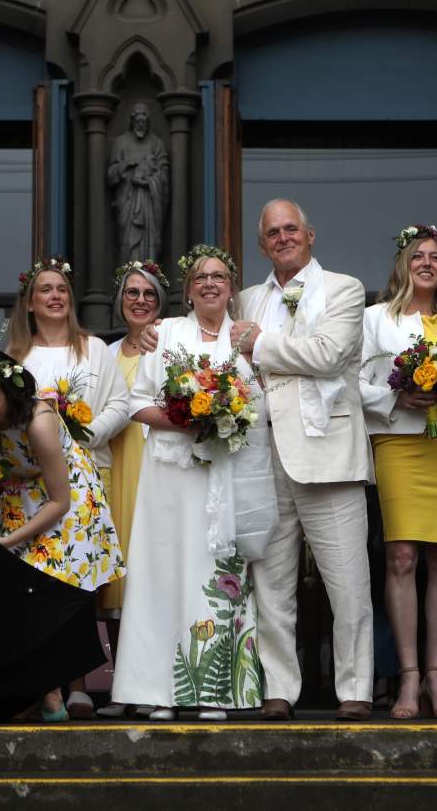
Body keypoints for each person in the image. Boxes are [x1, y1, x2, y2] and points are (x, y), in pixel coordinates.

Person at [229, 199, 375, 721]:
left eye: (291, 228)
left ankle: (355, 688)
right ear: (262, 244)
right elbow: (227, 359)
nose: (283, 238)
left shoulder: (343, 288)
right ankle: (279, 689)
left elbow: (329, 354)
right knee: (270, 584)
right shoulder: (245, 299)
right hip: (261, 454)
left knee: (348, 583)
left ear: (310, 235)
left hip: (326, 452)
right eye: (273, 232)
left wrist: (262, 344)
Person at [112, 245, 266, 721]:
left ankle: (214, 692)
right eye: (200, 277)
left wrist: (223, 415)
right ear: (188, 290)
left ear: (231, 288)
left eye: (218, 276)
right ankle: (159, 691)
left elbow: (259, 401)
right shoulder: (164, 333)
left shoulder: (245, 338)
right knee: (162, 572)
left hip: (224, 475)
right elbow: (136, 401)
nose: (209, 284)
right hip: (170, 475)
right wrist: (185, 419)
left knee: (212, 572)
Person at [0, 349, 124, 722]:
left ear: (11, 393)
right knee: (12, 591)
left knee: (47, 588)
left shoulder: (39, 422)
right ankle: (38, 691)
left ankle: (52, 692)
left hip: (68, 500)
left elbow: (60, 502)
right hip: (19, 495)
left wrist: (7, 541)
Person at [359, 224, 437, 720]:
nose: (426, 264)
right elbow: (351, 381)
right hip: (399, 444)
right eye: (417, 256)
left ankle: (436, 676)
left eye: (434, 257)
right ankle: (407, 677)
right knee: (402, 557)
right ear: (403, 265)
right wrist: (396, 396)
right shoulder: (375, 319)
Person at [7, 256, 129, 719]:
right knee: (38, 585)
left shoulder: (93, 348)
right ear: (30, 303)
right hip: (33, 482)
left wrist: (84, 434)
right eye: (45, 289)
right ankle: (43, 685)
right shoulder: (17, 356)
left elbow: (120, 402)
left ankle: (78, 684)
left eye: (61, 288)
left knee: (78, 581)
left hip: (87, 475)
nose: (55, 296)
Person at [98, 259, 167, 719]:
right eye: (131, 293)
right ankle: (123, 684)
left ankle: (157, 684)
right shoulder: (105, 353)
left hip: (159, 465)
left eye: (148, 294)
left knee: (155, 569)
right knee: (120, 571)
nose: (139, 301)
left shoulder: (171, 342)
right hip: (119, 465)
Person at [108, 102, 170, 263]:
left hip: (150, 206)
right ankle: (127, 274)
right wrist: (127, 164)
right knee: (127, 244)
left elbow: (164, 176)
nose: (140, 124)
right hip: (127, 203)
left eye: (143, 121)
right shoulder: (120, 143)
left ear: (148, 122)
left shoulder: (157, 144)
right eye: (137, 121)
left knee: (150, 249)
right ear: (132, 121)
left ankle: (150, 274)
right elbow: (111, 176)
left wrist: (148, 180)